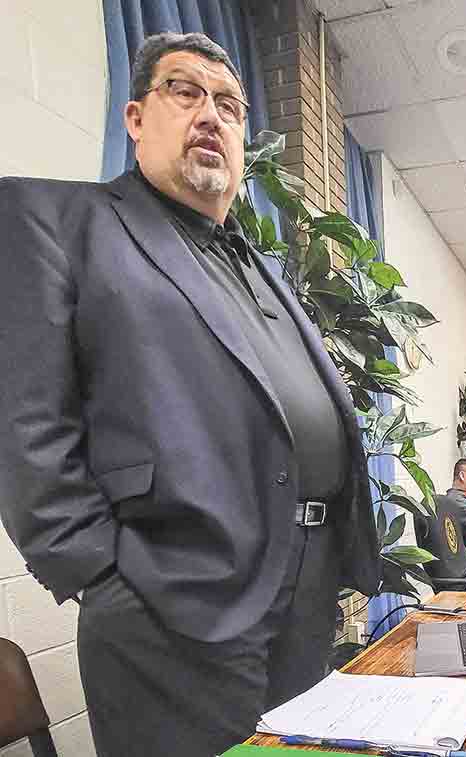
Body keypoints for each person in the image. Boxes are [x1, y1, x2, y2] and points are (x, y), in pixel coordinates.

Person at [0, 33, 380, 757]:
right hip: (172, 611)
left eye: (230, 105)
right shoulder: (58, 223)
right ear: (136, 118)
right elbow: (27, 428)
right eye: (186, 91)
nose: (212, 113)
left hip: (303, 599)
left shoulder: (258, 263)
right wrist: (105, 578)